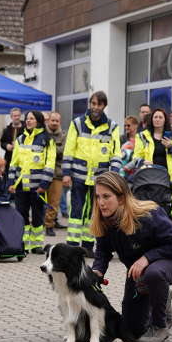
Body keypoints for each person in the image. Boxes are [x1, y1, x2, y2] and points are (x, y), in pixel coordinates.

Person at [90, 172, 172, 342]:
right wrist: (96, 273)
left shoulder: (148, 214)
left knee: (154, 273)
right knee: (132, 330)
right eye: (98, 197)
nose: (101, 202)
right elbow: (102, 252)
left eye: (106, 196)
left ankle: (160, 325)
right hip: (138, 272)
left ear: (121, 198)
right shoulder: (105, 221)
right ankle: (161, 297)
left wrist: (147, 258)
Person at [62, 91, 122, 257]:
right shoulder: (77, 124)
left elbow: (116, 153)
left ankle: (88, 246)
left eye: (99, 104)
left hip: (99, 178)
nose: (96, 107)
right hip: (79, 175)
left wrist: (114, 174)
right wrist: (66, 173)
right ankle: (72, 246)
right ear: (90, 104)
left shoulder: (112, 126)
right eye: (93, 104)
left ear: (104, 106)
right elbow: (69, 150)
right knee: (76, 211)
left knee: (94, 212)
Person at [8, 110, 56, 254]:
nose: (28, 121)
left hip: (37, 186)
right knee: (21, 215)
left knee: (37, 216)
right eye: (27, 119)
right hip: (21, 185)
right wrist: (11, 182)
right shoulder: (20, 139)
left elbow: (50, 164)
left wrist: (44, 185)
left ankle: (36, 245)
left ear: (39, 121)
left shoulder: (47, 140)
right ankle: (23, 243)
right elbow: (13, 163)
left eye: (31, 119)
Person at [128, 108, 172, 197]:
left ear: (165, 120)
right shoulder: (142, 136)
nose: (157, 119)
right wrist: (143, 162)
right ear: (151, 119)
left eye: (160, 117)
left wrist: (171, 147)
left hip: (168, 179)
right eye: (155, 117)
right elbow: (135, 158)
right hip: (148, 178)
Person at [44, 111, 66, 237]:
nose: (54, 123)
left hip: (57, 173)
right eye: (52, 120)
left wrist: (49, 150)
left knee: (54, 202)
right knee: (40, 201)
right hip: (42, 172)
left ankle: (49, 225)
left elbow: (63, 151)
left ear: (60, 122)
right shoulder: (42, 134)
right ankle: (41, 222)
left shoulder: (64, 136)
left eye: (57, 121)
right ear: (48, 121)